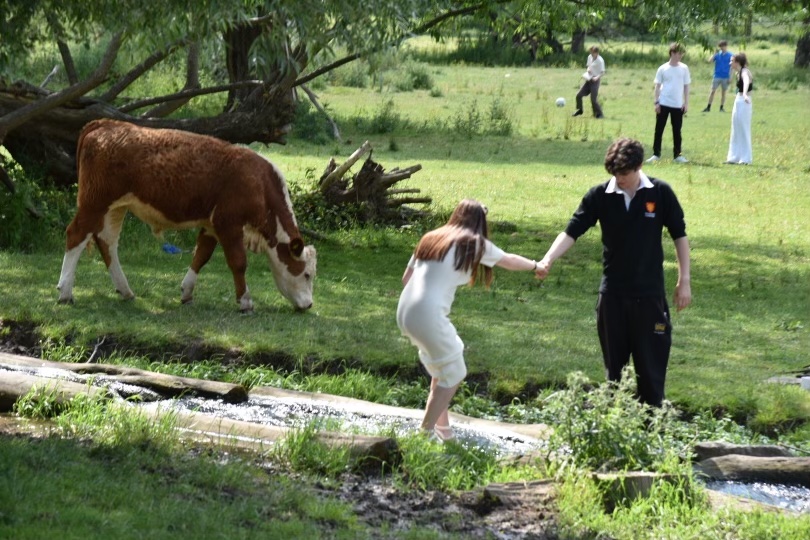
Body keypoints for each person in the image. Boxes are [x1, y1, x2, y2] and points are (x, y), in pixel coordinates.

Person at [535, 138, 692, 407]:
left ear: (639, 166)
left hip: (649, 297)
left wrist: (684, 280)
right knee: (613, 377)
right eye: (615, 174)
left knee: (651, 376)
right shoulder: (600, 196)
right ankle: (613, 434)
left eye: (625, 174)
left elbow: (680, 235)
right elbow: (572, 230)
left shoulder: (660, 193)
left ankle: (651, 437)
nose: (619, 179)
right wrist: (548, 258)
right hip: (613, 298)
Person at [397, 199, 540, 441]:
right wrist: (537, 264)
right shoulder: (473, 242)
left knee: (445, 367)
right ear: (479, 222)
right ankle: (424, 434)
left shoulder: (431, 238)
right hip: (427, 314)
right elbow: (509, 260)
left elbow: (405, 279)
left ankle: (444, 431)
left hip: (405, 311)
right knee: (456, 371)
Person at [646, 42, 691, 164]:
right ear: (672, 53)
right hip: (664, 103)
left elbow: (686, 86)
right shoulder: (663, 68)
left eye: (682, 53)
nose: (681, 55)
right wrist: (656, 102)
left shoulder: (684, 68)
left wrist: (686, 103)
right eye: (678, 53)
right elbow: (657, 86)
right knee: (659, 129)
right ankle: (656, 154)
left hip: (677, 104)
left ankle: (678, 155)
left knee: (677, 130)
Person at [726, 52, 754, 165]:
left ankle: (746, 158)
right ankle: (734, 156)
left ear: (737, 62)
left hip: (744, 100)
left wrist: (745, 94)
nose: (730, 63)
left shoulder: (745, 72)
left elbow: (746, 81)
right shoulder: (738, 72)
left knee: (743, 128)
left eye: (732, 61)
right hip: (738, 100)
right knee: (736, 127)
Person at [572, 46, 606, 118]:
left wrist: (596, 77)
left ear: (597, 53)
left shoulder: (600, 60)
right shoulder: (590, 57)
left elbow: (602, 72)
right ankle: (580, 110)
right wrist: (588, 69)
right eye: (591, 52)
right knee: (578, 95)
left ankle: (599, 114)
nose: (591, 54)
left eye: (593, 53)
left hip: (595, 81)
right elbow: (588, 66)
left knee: (593, 99)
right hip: (589, 79)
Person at [702, 40, 734, 113]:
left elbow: (732, 67)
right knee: (712, 91)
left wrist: (731, 77)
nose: (722, 48)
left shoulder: (730, 55)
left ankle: (721, 107)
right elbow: (709, 61)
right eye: (721, 47)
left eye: (723, 46)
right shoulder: (717, 55)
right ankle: (708, 107)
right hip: (717, 75)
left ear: (726, 46)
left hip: (725, 76)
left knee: (723, 92)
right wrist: (714, 54)